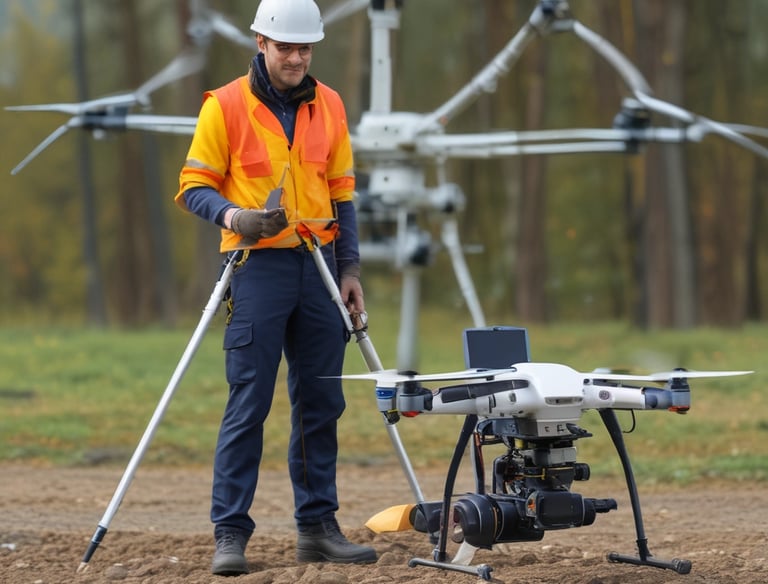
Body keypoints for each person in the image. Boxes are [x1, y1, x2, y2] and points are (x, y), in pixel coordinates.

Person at [174, 0, 376, 576]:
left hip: (319, 267)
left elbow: (342, 195)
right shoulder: (225, 104)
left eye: (304, 47)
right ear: (261, 42)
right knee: (249, 403)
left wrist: (351, 270)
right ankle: (230, 534)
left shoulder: (329, 104)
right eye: (285, 46)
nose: (295, 57)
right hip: (255, 269)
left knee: (321, 404)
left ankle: (317, 529)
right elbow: (193, 187)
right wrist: (235, 218)